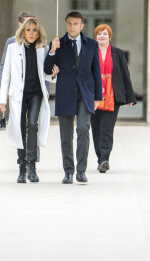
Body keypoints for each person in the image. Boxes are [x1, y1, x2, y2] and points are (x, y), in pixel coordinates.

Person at [44, 12, 102, 184]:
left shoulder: (92, 44)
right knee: (66, 135)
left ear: (82, 25)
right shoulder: (58, 43)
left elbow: (96, 72)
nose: (72, 27)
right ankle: (68, 171)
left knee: (83, 129)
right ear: (65, 24)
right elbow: (48, 69)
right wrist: (52, 50)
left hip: (85, 94)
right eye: (69, 23)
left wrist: (98, 97)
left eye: (75, 24)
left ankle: (81, 171)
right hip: (65, 93)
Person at [0, 18, 57, 183]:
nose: (31, 33)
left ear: (39, 33)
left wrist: (53, 74)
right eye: (28, 30)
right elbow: (6, 75)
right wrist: (2, 98)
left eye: (34, 30)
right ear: (23, 31)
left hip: (36, 94)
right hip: (18, 95)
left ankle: (32, 166)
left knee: (33, 125)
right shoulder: (13, 48)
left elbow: (46, 74)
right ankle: (22, 167)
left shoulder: (43, 49)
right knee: (20, 128)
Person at [90, 24, 136, 173]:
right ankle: (100, 157)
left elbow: (124, 74)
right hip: (94, 96)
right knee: (96, 129)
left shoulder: (118, 53)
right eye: (99, 34)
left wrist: (130, 96)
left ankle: (105, 159)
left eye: (104, 34)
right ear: (95, 37)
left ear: (110, 36)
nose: (101, 36)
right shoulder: (90, 52)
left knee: (107, 128)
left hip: (112, 96)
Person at [0, 11, 35, 81]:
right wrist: (6, 88)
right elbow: (4, 66)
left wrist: (47, 90)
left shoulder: (41, 43)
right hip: (16, 87)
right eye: (27, 23)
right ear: (20, 24)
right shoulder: (11, 42)